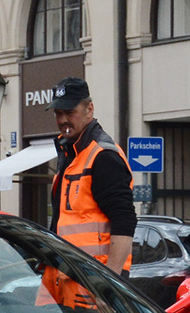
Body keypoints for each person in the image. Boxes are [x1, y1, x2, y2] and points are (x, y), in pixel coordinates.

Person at [47, 78, 135, 273]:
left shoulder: (102, 155)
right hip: (71, 277)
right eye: (58, 113)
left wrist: (111, 285)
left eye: (70, 112)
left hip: (96, 280)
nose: (63, 120)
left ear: (89, 109)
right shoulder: (71, 153)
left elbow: (124, 220)